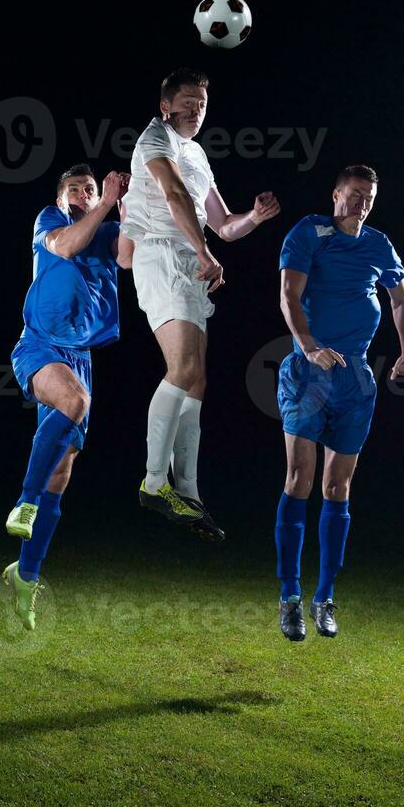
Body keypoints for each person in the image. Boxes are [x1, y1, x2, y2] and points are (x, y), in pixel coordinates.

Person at [121, 67, 280, 541]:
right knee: (184, 368)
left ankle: (188, 493)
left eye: (202, 104)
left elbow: (224, 223)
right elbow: (172, 196)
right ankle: (153, 483)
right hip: (163, 255)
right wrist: (206, 252)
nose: (196, 110)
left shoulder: (196, 153)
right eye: (187, 102)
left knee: (197, 381)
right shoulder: (155, 139)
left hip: (189, 263)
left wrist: (253, 216)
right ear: (165, 106)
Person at [275, 164, 404, 640]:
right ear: (336, 194)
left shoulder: (379, 244)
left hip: (355, 377)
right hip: (309, 372)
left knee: (338, 489)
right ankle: (290, 598)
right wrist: (310, 346)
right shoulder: (309, 232)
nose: (362, 203)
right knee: (300, 479)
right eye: (355, 194)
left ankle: (325, 598)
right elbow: (288, 295)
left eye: (369, 197)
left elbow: (400, 299)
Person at [3, 163, 130, 630]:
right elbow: (70, 245)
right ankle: (24, 501)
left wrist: (131, 205)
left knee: (62, 470)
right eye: (74, 188)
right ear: (61, 197)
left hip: (80, 356)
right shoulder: (50, 222)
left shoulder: (109, 227)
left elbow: (132, 257)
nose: (83, 192)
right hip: (39, 344)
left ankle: (26, 575)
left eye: (89, 188)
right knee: (76, 402)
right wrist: (103, 204)